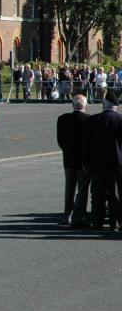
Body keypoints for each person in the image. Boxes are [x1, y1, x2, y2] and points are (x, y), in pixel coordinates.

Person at [83, 91, 122, 230]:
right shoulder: (120, 119)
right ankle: (115, 222)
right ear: (115, 106)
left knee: (97, 194)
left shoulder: (92, 120)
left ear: (104, 105)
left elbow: (86, 144)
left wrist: (86, 162)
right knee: (115, 194)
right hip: (116, 162)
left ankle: (97, 221)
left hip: (97, 163)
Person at [56, 95, 90, 227]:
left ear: (72, 105)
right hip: (84, 160)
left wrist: (67, 151)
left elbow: (60, 140)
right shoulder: (90, 119)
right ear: (85, 105)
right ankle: (78, 217)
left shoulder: (63, 119)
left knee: (69, 189)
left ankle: (66, 215)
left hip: (68, 158)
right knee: (82, 190)